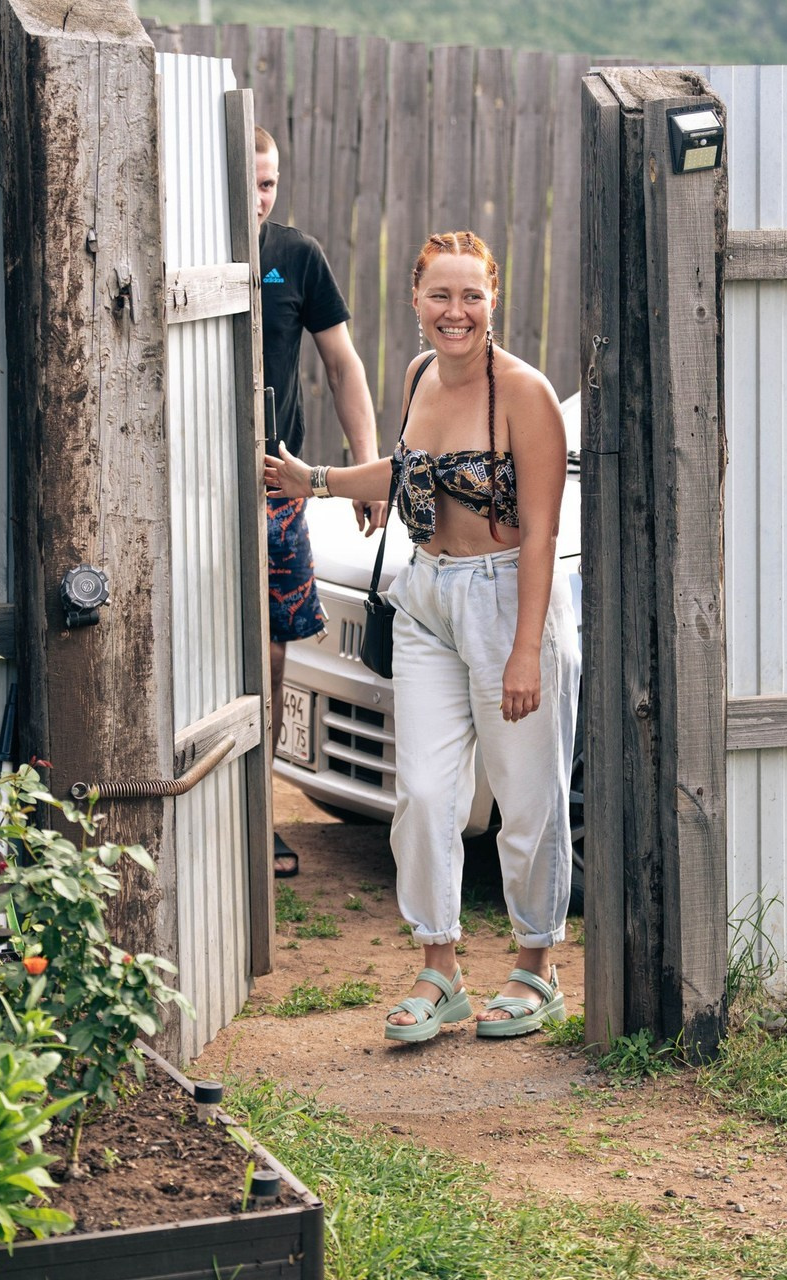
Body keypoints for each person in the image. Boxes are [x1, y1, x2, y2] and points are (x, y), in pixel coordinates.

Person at [265, 230, 580, 1040]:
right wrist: (318, 480)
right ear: (416, 300)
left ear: (493, 299)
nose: (456, 312)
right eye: (440, 295)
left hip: (511, 600)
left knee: (526, 798)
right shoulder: (414, 377)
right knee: (426, 793)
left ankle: (537, 966)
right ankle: (439, 971)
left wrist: (524, 650)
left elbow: (541, 533)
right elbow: (407, 473)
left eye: (471, 295)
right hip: (427, 600)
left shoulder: (526, 396)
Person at [254, 125, 385, 878]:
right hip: (198, 485)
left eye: (271, 183)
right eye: (251, 181)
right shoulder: (180, 240)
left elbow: (342, 364)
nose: (261, 197)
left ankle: (258, 815)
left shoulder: (296, 255)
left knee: (272, 649)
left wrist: (366, 466)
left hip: (278, 485)